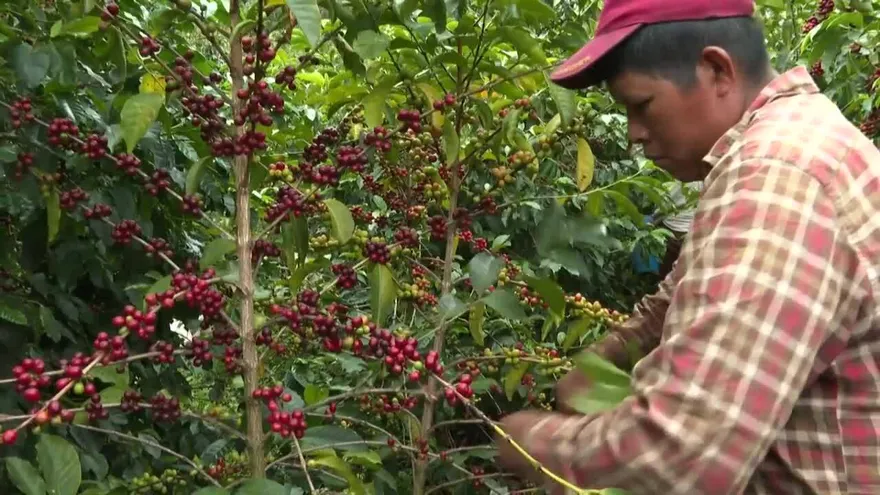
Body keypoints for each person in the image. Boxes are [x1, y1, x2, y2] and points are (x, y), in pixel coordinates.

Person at [494, 1, 880, 494]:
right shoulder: (795, 140)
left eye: (642, 105)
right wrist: (606, 357)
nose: (634, 133)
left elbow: (685, 456)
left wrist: (528, 442)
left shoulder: (778, 179)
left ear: (717, 70)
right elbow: (681, 293)